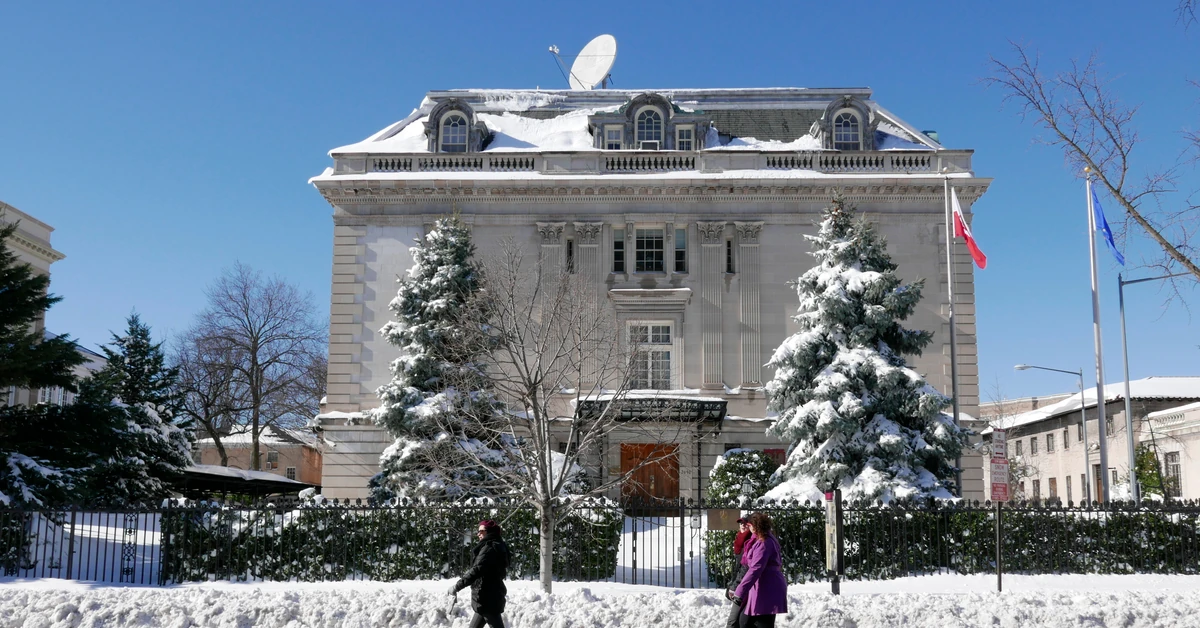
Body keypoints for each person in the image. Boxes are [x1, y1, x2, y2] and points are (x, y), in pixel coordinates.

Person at [449, 519, 511, 628]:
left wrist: (457, 586)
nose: (478, 534)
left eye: (481, 531)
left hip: (487, 597)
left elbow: (476, 570)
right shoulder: (496, 545)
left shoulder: (489, 548)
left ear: (489, 532)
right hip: (487, 596)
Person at [730, 512, 787, 628]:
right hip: (762, 588)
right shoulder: (760, 539)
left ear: (755, 526)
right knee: (745, 621)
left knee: (756, 623)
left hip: (767, 588)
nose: (748, 527)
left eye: (750, 525)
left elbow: (755, 568)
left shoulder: (764, 543)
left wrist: (740, 591)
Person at [725, 517, 757, 628]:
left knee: (734, 622)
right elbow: (738, 567)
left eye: (745, 523)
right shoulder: (739, 539)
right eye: (740, 523)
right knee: (740, 622)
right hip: (740, 584)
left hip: (745, 586)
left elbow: (745, 567)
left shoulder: (750, 541)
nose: (742, 525)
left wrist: (734, 586)